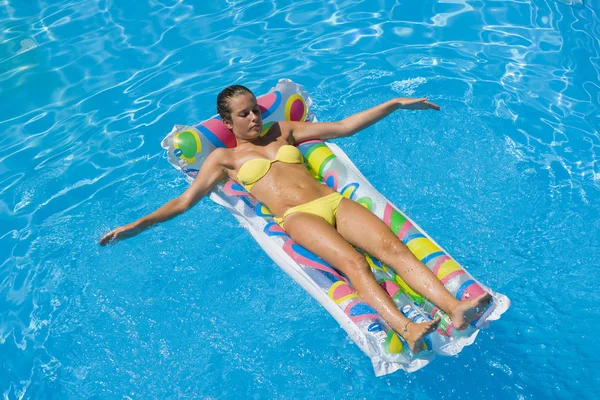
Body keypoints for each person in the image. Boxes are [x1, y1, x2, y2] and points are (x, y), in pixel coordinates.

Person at [100, 85, 492, 353]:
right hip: (299, 218)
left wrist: (394, 104)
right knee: (354, 264)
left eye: (255, 108)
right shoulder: (224, 159)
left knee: (393, 248)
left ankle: (454, 308)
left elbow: (343, 127)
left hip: (332, 201)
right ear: (228, 122)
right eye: (244, 114)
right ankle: (405, 329)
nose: (254, 117)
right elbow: (184, 202)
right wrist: (136, 226)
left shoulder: (282, 131)